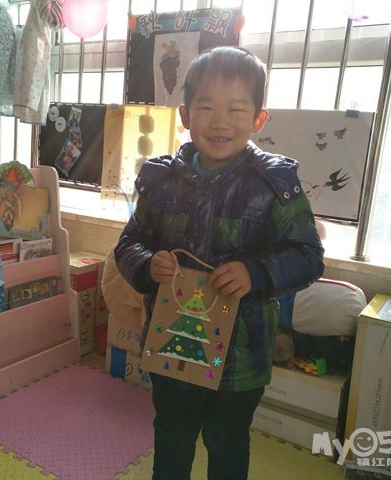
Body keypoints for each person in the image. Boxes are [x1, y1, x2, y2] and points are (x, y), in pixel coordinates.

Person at [114, 46, 325, 480]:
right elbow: (129, 243)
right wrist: (148, 265)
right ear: (185, 115)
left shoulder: (274, 182)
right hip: (172, 345)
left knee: (227, 446)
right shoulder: (159, 178)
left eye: (236, 109)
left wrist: (256, 273)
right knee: (171, 440)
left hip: (240, 360)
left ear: (258, 118)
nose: (220, 121)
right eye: (206, 107)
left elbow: (307, 256)